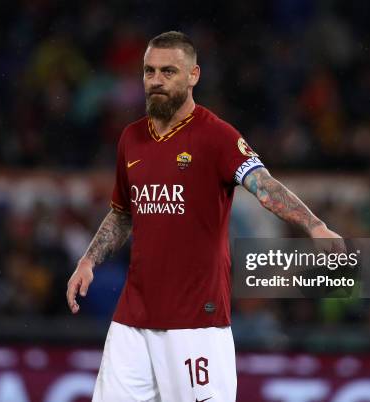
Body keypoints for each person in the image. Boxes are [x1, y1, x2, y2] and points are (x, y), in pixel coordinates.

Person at [67, 31, 343, 402]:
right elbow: (121, 213)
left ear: (193, 75)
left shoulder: (216, 136)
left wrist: (315, 225)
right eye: (149, 71)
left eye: (168, 71)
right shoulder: (130, 139)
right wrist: (89, 259)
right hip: (133, 318)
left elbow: (263, 185)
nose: (156, 81)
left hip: (196, 319)